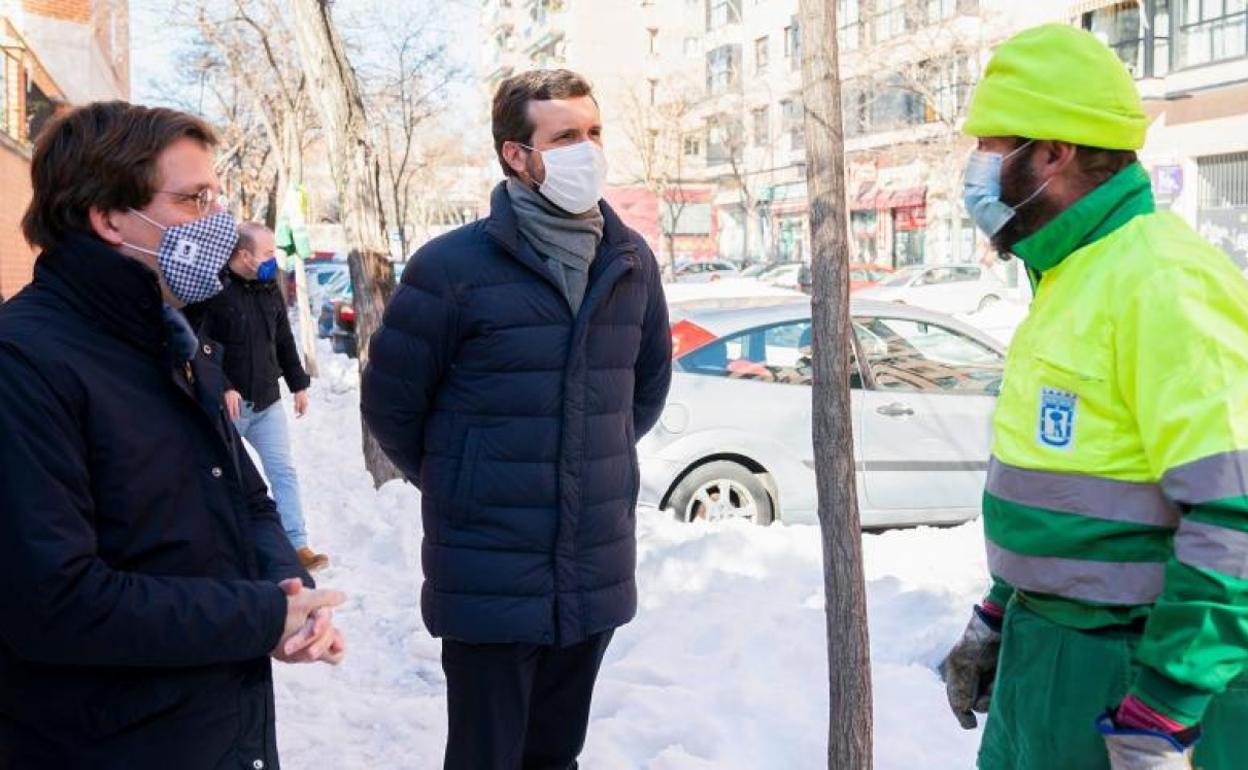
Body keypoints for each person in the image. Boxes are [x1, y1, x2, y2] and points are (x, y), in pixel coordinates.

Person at [0, 101, 347, 768]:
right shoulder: (25, 362)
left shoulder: (171, 339)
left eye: (214, 197)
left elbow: (246, 498)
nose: (217, 222)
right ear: (107, 217)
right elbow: (54, 602)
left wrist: (287, 595)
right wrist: (256, 618)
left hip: (217, 729)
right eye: (192, 199)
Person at [940, 26, 1248, 770]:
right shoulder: (1073, 273)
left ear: (1053, 153)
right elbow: (1084, 498)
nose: (978, 171)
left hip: (1130, 680)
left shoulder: (1162, 281)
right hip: (1049, 661)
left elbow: (1234, 515)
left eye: (993, 147)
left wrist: (1165, 710)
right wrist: (999, 610)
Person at [360, 69, 672, 769]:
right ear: (516, 154)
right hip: (488, 570)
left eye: (593, 132)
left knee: (556, 755)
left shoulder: (629, 260)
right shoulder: (452, 267)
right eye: (565, 136)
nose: (586, 149)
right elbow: (392, 406)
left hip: (592, 564)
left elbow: (642, 392)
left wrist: (585, 460)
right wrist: (464, 477)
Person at [186, 222, 329, 572]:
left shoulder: (269, 287)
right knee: (230, 480)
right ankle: (236, 550)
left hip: (267, 401)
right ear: (243, 255)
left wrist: (298, 384)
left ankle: (297, 546)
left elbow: (282, 338)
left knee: (283, 471)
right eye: (267, 254)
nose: (272, 259)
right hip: (229, 406)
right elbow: (197, 346)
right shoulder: (212, 290)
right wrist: (222, 385)